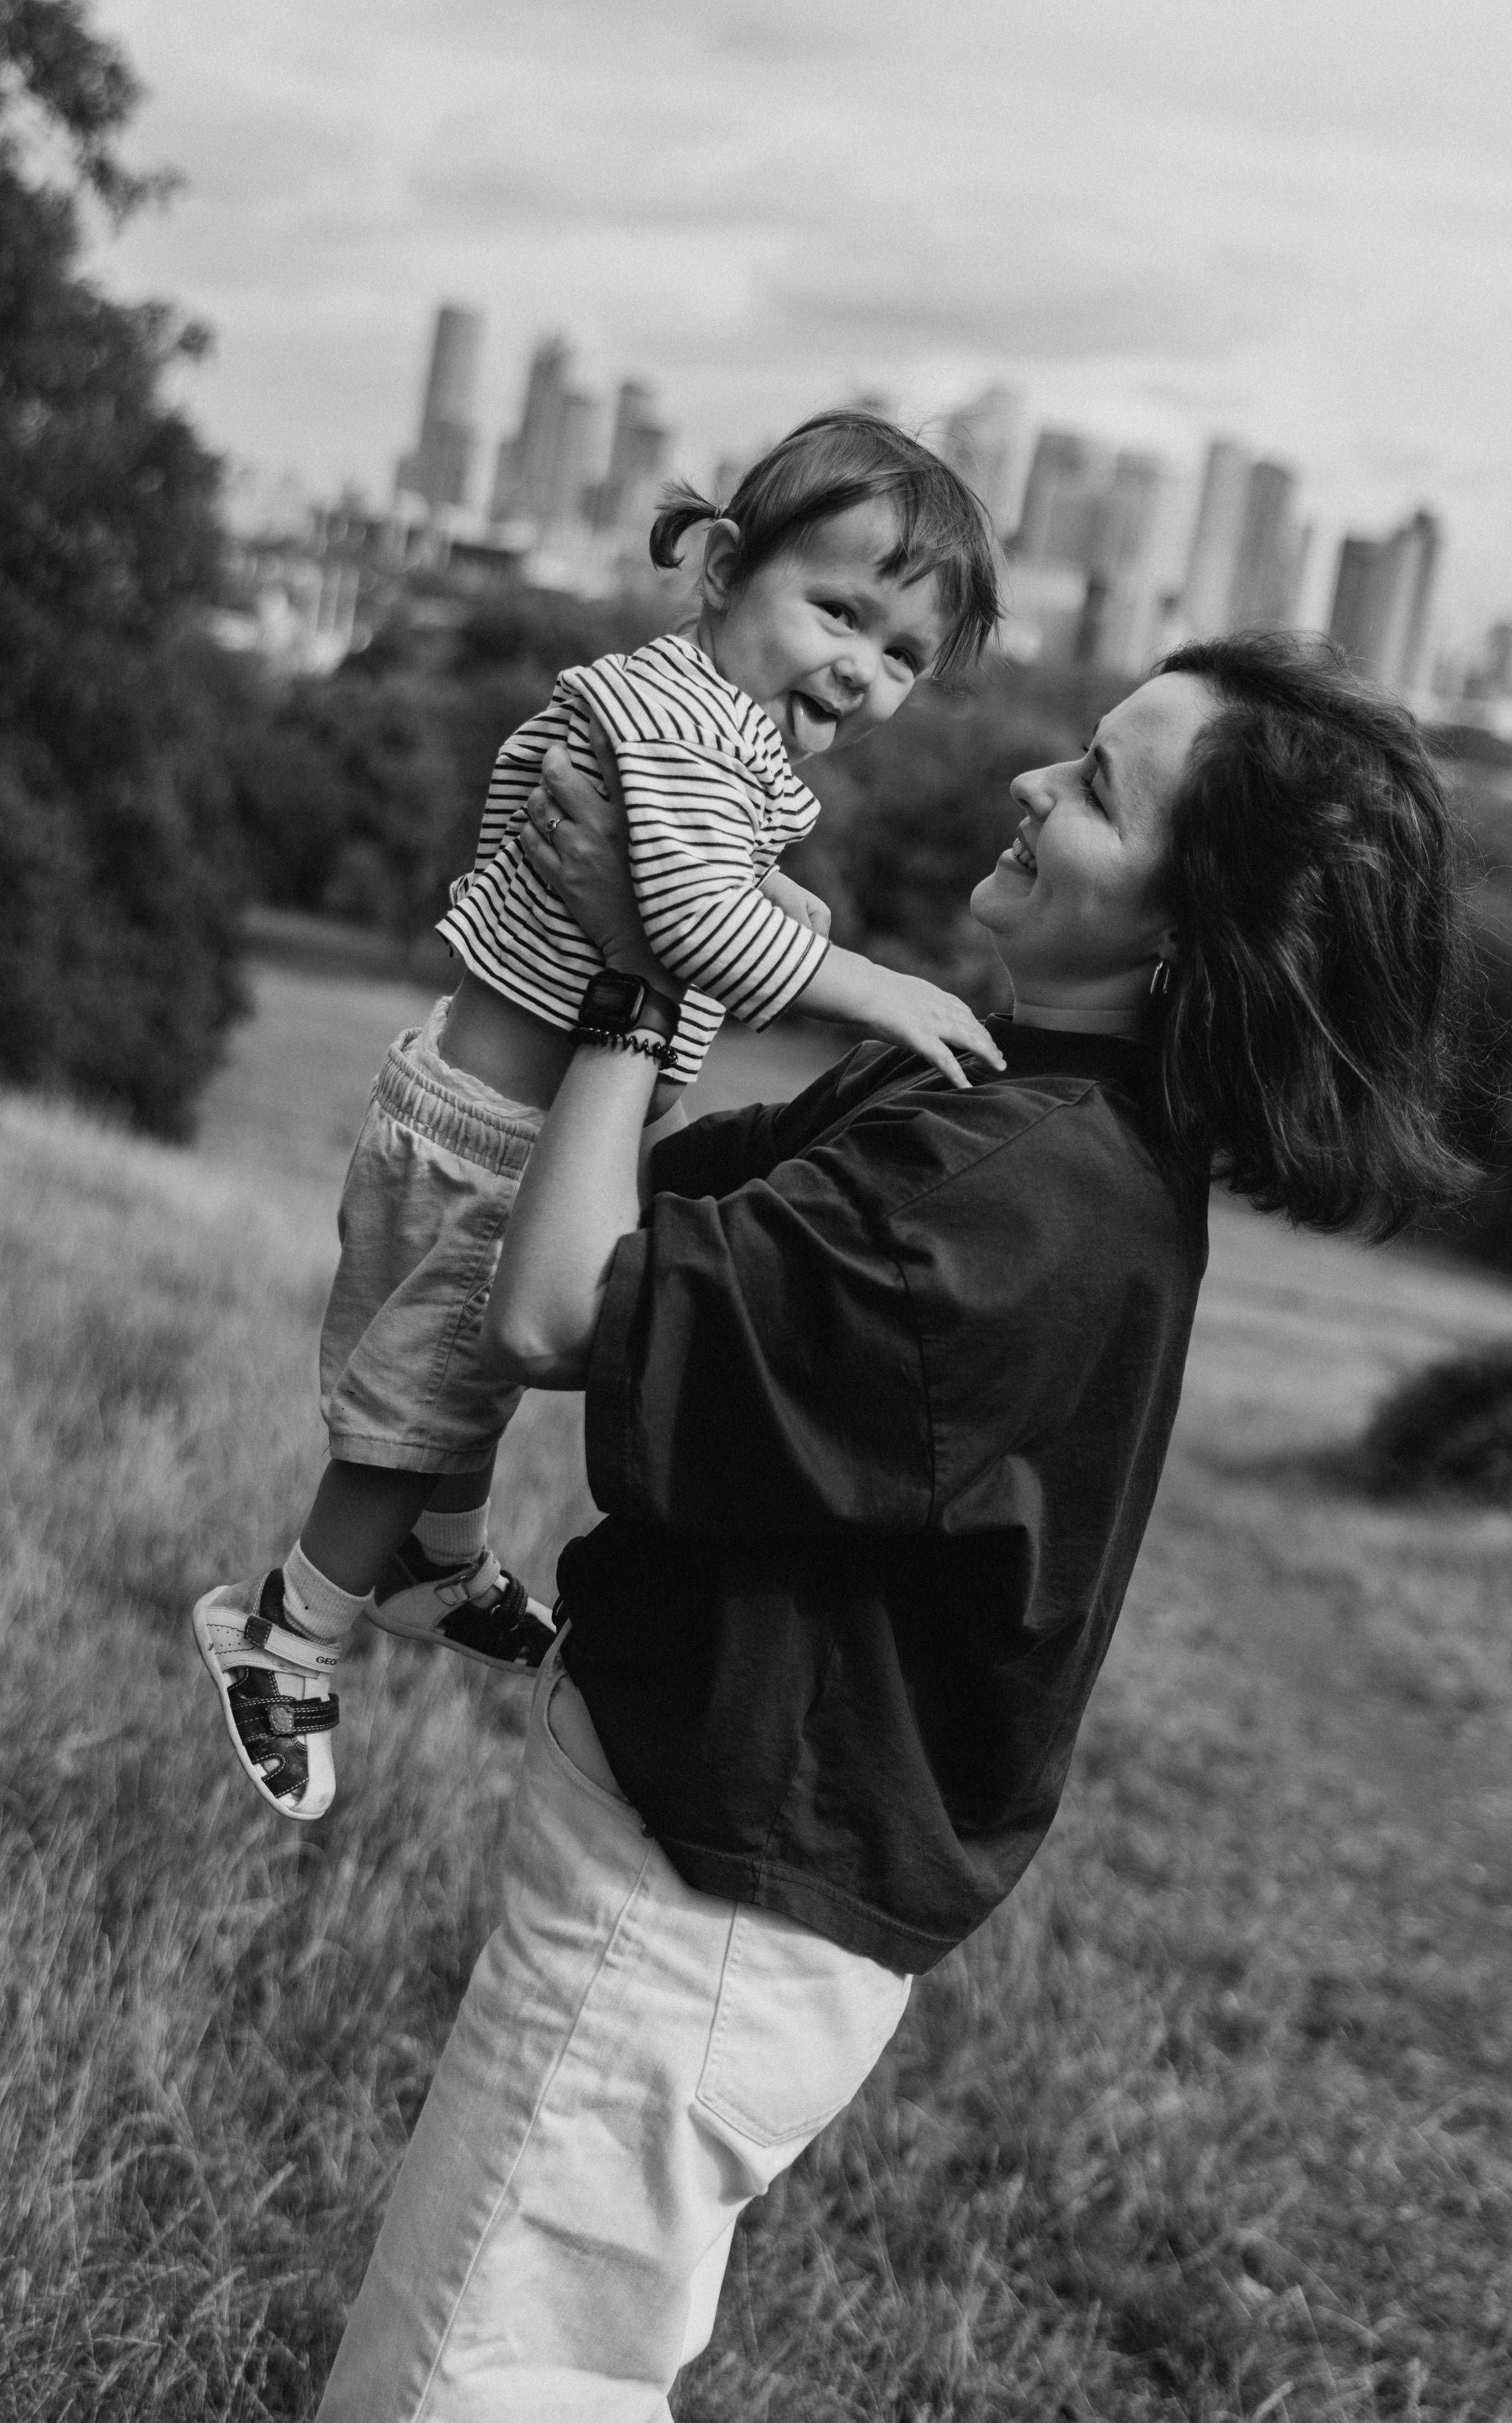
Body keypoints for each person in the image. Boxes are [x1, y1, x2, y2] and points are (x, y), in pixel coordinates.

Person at [313, 631, 1475, 2419]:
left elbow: (551, 1310)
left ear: (1183, 939)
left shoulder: (1011, 1207)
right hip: (700, 1869)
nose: (1027, 780)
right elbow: (628, 1205)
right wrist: (676, 931)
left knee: (466, 2376)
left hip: (699, 1914)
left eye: (1094, 790)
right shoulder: (984, 1091)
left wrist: (636, 973)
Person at [191, 411, 1003, 1820]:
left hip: (511, 1122)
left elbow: (702, 884)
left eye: (900, 655)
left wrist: (786, 907)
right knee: (412, 1413)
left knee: (468, 1386)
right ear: (724, 570)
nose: (860, 670)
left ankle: (435, 1565)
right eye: (837, 612)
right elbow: (685, 917)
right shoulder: (684, 726)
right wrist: (872, 985)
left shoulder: (704, 716)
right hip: (490, 1135)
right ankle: (287, 1631)